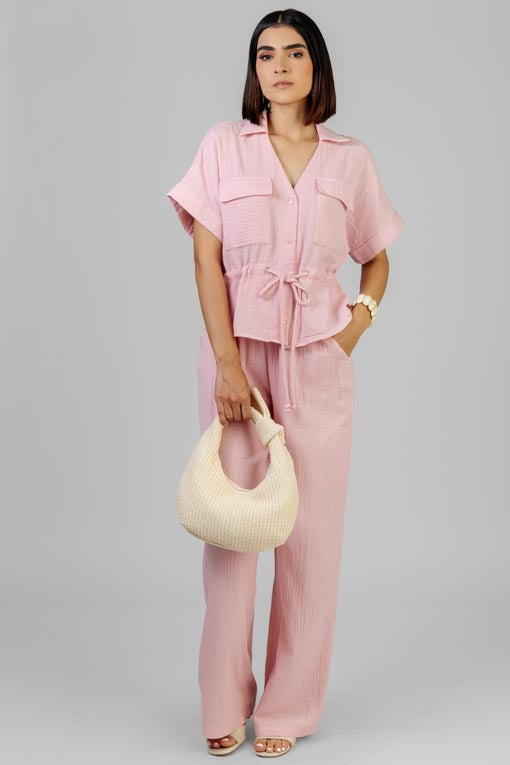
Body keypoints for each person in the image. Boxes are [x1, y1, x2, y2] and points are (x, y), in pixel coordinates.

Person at [166, 9, 404, 758]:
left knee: (311, 543)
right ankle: (222, 705)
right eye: (265, 55)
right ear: (254, 71)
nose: (279, 66)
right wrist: (227, 363)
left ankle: (288, 710)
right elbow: (205, 260)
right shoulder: (222, 147)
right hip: (239, 361)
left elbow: (377, 254)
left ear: (316, 66)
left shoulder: (351, 160)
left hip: (319, 365)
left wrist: (354, 327)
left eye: (294, 53)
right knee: (232, 534)